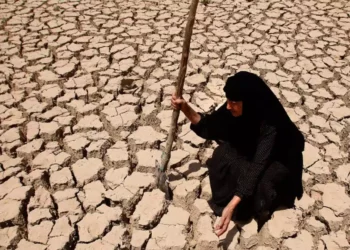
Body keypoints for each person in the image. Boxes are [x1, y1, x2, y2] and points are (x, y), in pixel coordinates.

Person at [171, 71, 304, 236]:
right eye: (228, 100)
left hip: (279, 158)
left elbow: (258, 165)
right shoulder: (236, 108)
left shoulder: (270, 125)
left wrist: (231, 205)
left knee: (261, 183)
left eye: (233, 102)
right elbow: (210, 126)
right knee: (223, 156)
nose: (228, 106)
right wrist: (184, 107)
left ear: (248, 102)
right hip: (254, 151)